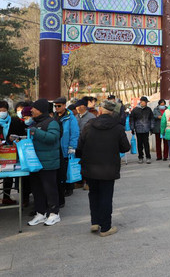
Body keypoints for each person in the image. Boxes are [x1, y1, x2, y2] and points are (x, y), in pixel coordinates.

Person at [76, 100, 131, 237]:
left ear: (100, 111)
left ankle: (95, 222)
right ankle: (106, 227)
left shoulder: (89, 125)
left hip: (90, 167)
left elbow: (80, 145)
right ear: (113, 113)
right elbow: (125, 147)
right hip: (108, 167)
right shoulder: (117, 127)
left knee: (93, 194)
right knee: (106, 196)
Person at [27, 99, 62, 227]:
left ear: (41, 109)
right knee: (37, 189)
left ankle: (54, 213)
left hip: (48, 162)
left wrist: (36, 132)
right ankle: (40, 213)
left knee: (50, 189)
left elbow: (53, 138)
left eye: (34, 108)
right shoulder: (34, 123)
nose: (31, 110)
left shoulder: (52, 122)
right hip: (34, 162)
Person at [53, 97, 80, 203]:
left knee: (66, 169)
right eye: (55, 106)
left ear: (64, 105)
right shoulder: (54, 116)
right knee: (60, 171)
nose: (57, 108)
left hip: (65, 147)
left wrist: (72, 147)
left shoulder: (71, 118)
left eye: (59, 106)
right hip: (56, 148)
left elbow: (74, 133)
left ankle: (69, 187)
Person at [130, 96, 154, 164]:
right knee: (139, 144)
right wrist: (132, 128)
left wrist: (152, 127)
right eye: (145, 102)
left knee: (146, 144)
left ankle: (148, 157)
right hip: (138, 129)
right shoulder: (135, 110)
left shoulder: (148, 109)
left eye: (146, 102)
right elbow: (132, 120)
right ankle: (140, 157)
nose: (146, 103)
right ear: (141, 102)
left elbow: (152, 119)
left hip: (146, 129)